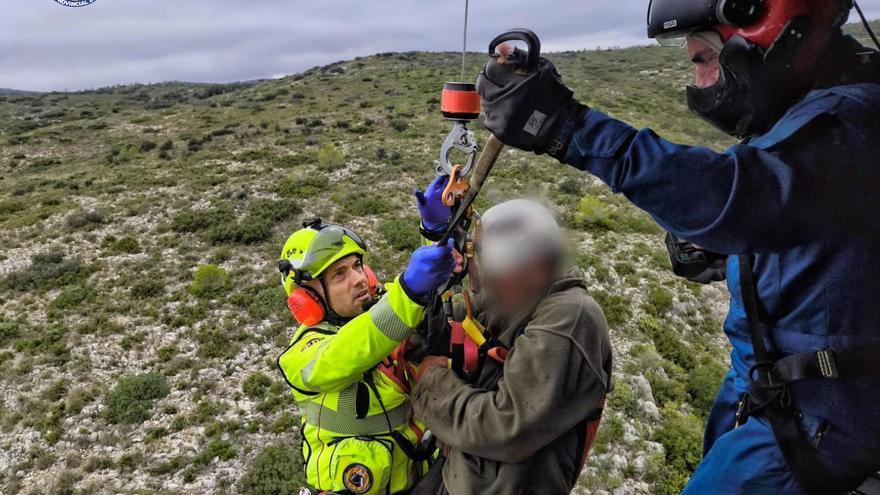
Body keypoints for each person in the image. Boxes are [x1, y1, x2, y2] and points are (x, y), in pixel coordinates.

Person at [475, 1, 880, 494]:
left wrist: (567, 127)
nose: (702, 81)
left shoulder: (851, 118)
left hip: (818, 413)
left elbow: (745, 196)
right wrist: (732, 256)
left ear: (780, 33)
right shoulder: (814, 111)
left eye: (703, 59)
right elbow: (827, 228)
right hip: (773, 386)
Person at [410, 191, 613, 495]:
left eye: (495, 270)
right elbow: (449, 327)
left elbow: (504, 425)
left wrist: (432, 382)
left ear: (535, 267)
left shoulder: (570, 319)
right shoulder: (515, 294)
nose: (485, 281)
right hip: (455, 476)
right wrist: (421, 291)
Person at [275, 218, 456, 495]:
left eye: (357, 265)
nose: (359, 279)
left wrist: (434, 231)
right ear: (307, 294)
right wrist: (409, 292)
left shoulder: (377, 310)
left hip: (422, 480)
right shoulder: (302, 356)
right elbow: (359, 343)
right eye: (339, 274)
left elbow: (417, 295)